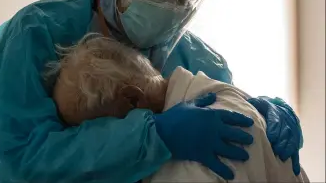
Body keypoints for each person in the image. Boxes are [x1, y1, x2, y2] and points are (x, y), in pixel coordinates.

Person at [0, 0, 303, 182]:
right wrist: (152, 135)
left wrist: (262, 110)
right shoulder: (37, 31)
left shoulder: (200, 59)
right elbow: (24, 154)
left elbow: (226, 116)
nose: (167, 4)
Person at [48, 33, 309, 183]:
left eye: (93, 129)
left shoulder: (200, 157)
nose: (95, 144)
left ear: (132, 100)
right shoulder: (219, 94)